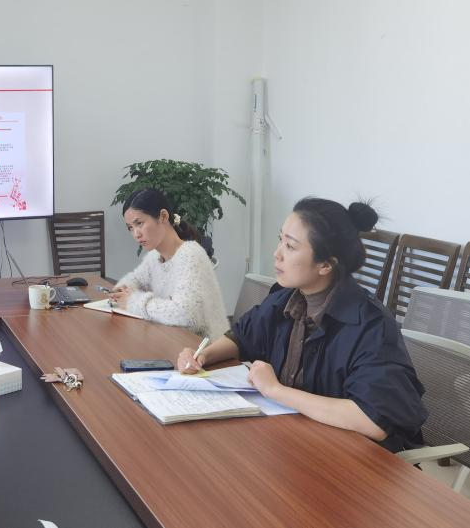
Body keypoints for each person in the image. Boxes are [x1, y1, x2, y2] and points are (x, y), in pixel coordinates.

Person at [177, 198, 427, 452]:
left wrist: (275, 390)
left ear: (326, 264)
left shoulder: (371, 325)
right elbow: (242, 337)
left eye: (290, 246)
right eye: (280, 240)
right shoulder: (286, 298)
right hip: (299, 442)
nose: (277, 253)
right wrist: (202, 356)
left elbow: (373, 420)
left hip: (359, 459)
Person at [108, 189, 229, 340]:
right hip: (173, 341)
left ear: (163, 216)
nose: (136, 234)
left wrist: (133, 301)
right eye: (130, 228)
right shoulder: (154, 256)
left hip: (204, 348)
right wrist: (122, 290)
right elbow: (136, 279)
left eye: (139, 223)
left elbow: (185, 315)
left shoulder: (191, 255)